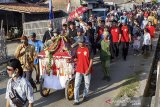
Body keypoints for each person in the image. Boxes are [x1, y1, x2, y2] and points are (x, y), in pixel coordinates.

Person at [73, 38, 93, 105]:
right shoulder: (77, 49)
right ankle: (76, 100)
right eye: (79, 42)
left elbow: (91, 60)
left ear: (84, 42)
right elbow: (76, 58)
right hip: (79, 70)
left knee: (86, 84)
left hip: (87, 70)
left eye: (81, 42)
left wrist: (89, 69)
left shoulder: (88, 49)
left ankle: (85, 95)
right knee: (76, 85)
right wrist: (72, 60)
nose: (79, 44)